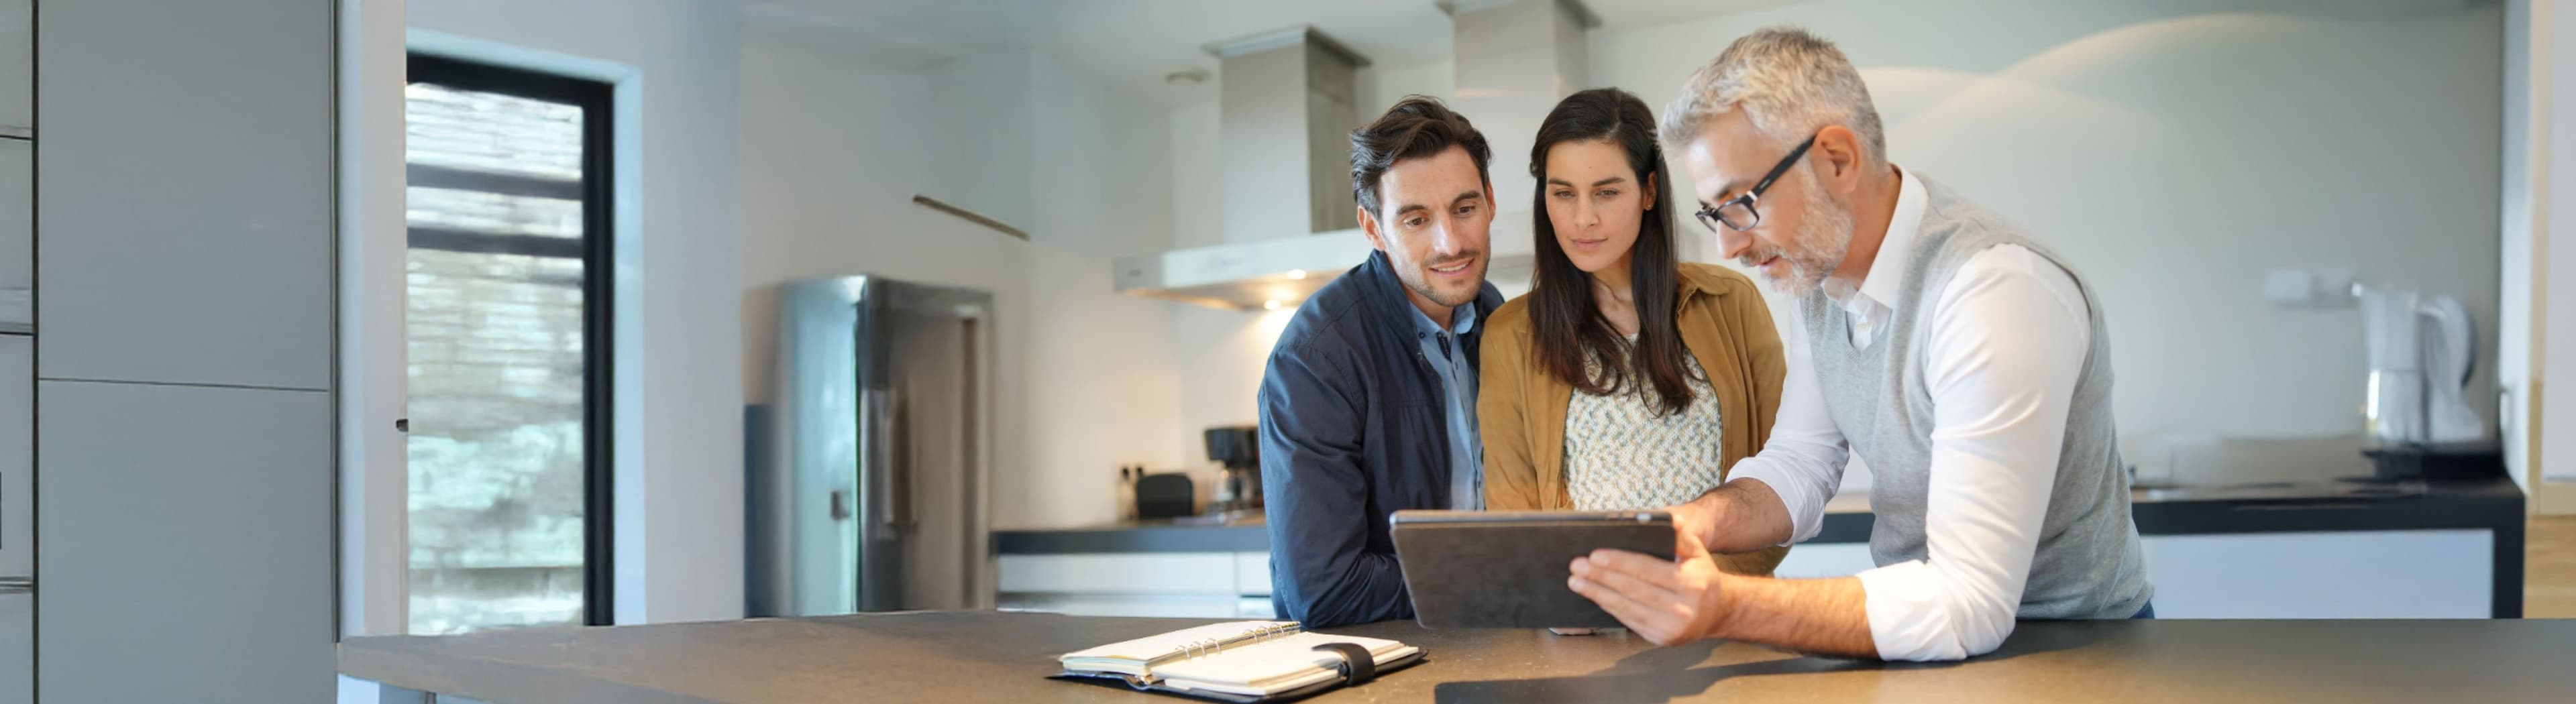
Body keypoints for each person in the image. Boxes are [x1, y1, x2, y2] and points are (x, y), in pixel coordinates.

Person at [1566, 27, 2153, 662]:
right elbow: (1799, 462)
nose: (1728, 248)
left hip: (2073, 651)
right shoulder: (1820, 276)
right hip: (1925, 636)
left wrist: (1725, 607)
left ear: (1837, 160)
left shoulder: (1991, 290)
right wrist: (1691, 523)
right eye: (1715, 215)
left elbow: (1969, 601)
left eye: (1738, 205)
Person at [1480, 87, 1790, 581]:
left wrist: (1703, 594)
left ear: (1648, 191)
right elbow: (1513, 516)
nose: (1583, 218)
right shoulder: (1511, 335)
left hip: (1724, 611)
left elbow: (1781, 477)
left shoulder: (1730, 302)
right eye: (1563, 193)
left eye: (1606, 191)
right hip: (1585, 624)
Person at [1260, 96, 1505, 628]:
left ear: (1489, 201)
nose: (1451, 242)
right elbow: (1324, 590)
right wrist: (1495, 579)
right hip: (1382, 661)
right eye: (1416, 219)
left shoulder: (1496, 317)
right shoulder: (1317, 358)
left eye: (1464, 209)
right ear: (1373, 229)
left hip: (1499, 637)